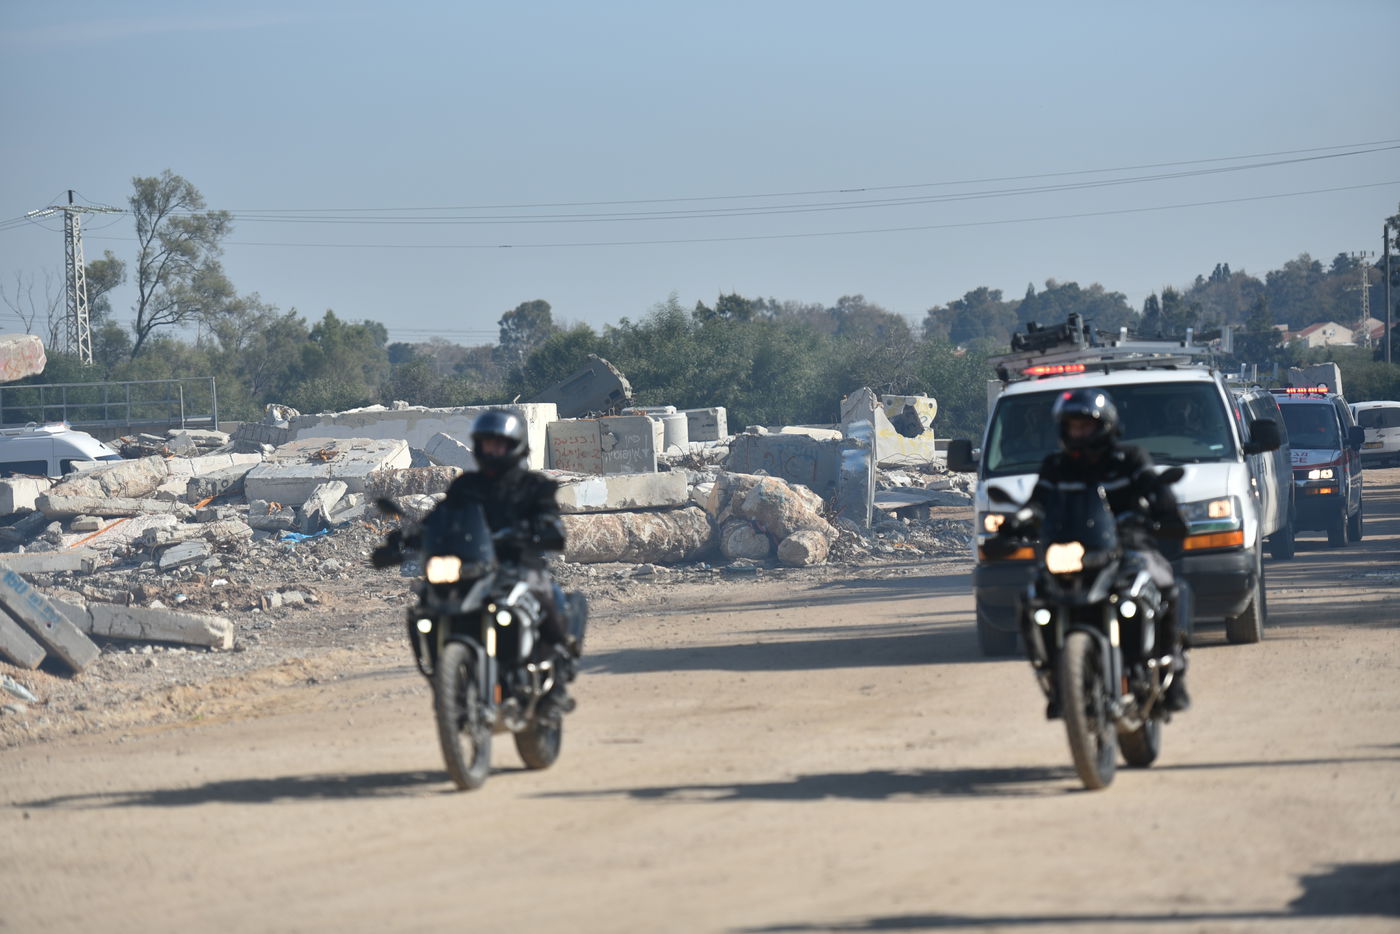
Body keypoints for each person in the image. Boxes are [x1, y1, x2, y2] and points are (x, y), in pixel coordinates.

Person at [383, 409, 579, 713]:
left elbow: (550, 521)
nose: (493, 450)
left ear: (513, 446)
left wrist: (544, 530)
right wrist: (409, 536)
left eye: (499, 444)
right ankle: (446, 672)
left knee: (544, 593)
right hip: (472, 563)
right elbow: (441, 517)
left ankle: (555, 680)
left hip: (518, 562)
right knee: (426, 603)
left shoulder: (533, 486)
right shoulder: (466, 486)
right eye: (488, 444)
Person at [1026, 387, 1192, 712]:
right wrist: (1016, 522)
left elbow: (1154, 489)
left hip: (1128, 545)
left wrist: (1167, 511)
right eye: (1073, 425)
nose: (1080, 432)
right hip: (1072, 549)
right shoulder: (1055, 466)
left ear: (1104, 425)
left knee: (1166, 585)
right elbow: (1037, 503)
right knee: (1033, 596)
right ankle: (1055, 677)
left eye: (1086, 425)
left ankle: (1172, 667)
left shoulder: (1130, 459)